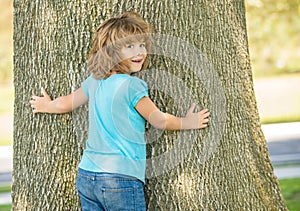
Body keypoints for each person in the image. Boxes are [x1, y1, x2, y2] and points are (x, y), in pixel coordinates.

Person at [29, 11, 210, 211]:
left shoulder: (95, 81)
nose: (139, 52)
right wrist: (188, 122)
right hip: (119, 180)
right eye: (129, 46)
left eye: (142, 45)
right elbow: (159, 120)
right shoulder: (132, 85)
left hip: (87, 176)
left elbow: (65, 104)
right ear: (112, 51)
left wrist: (46, 105)